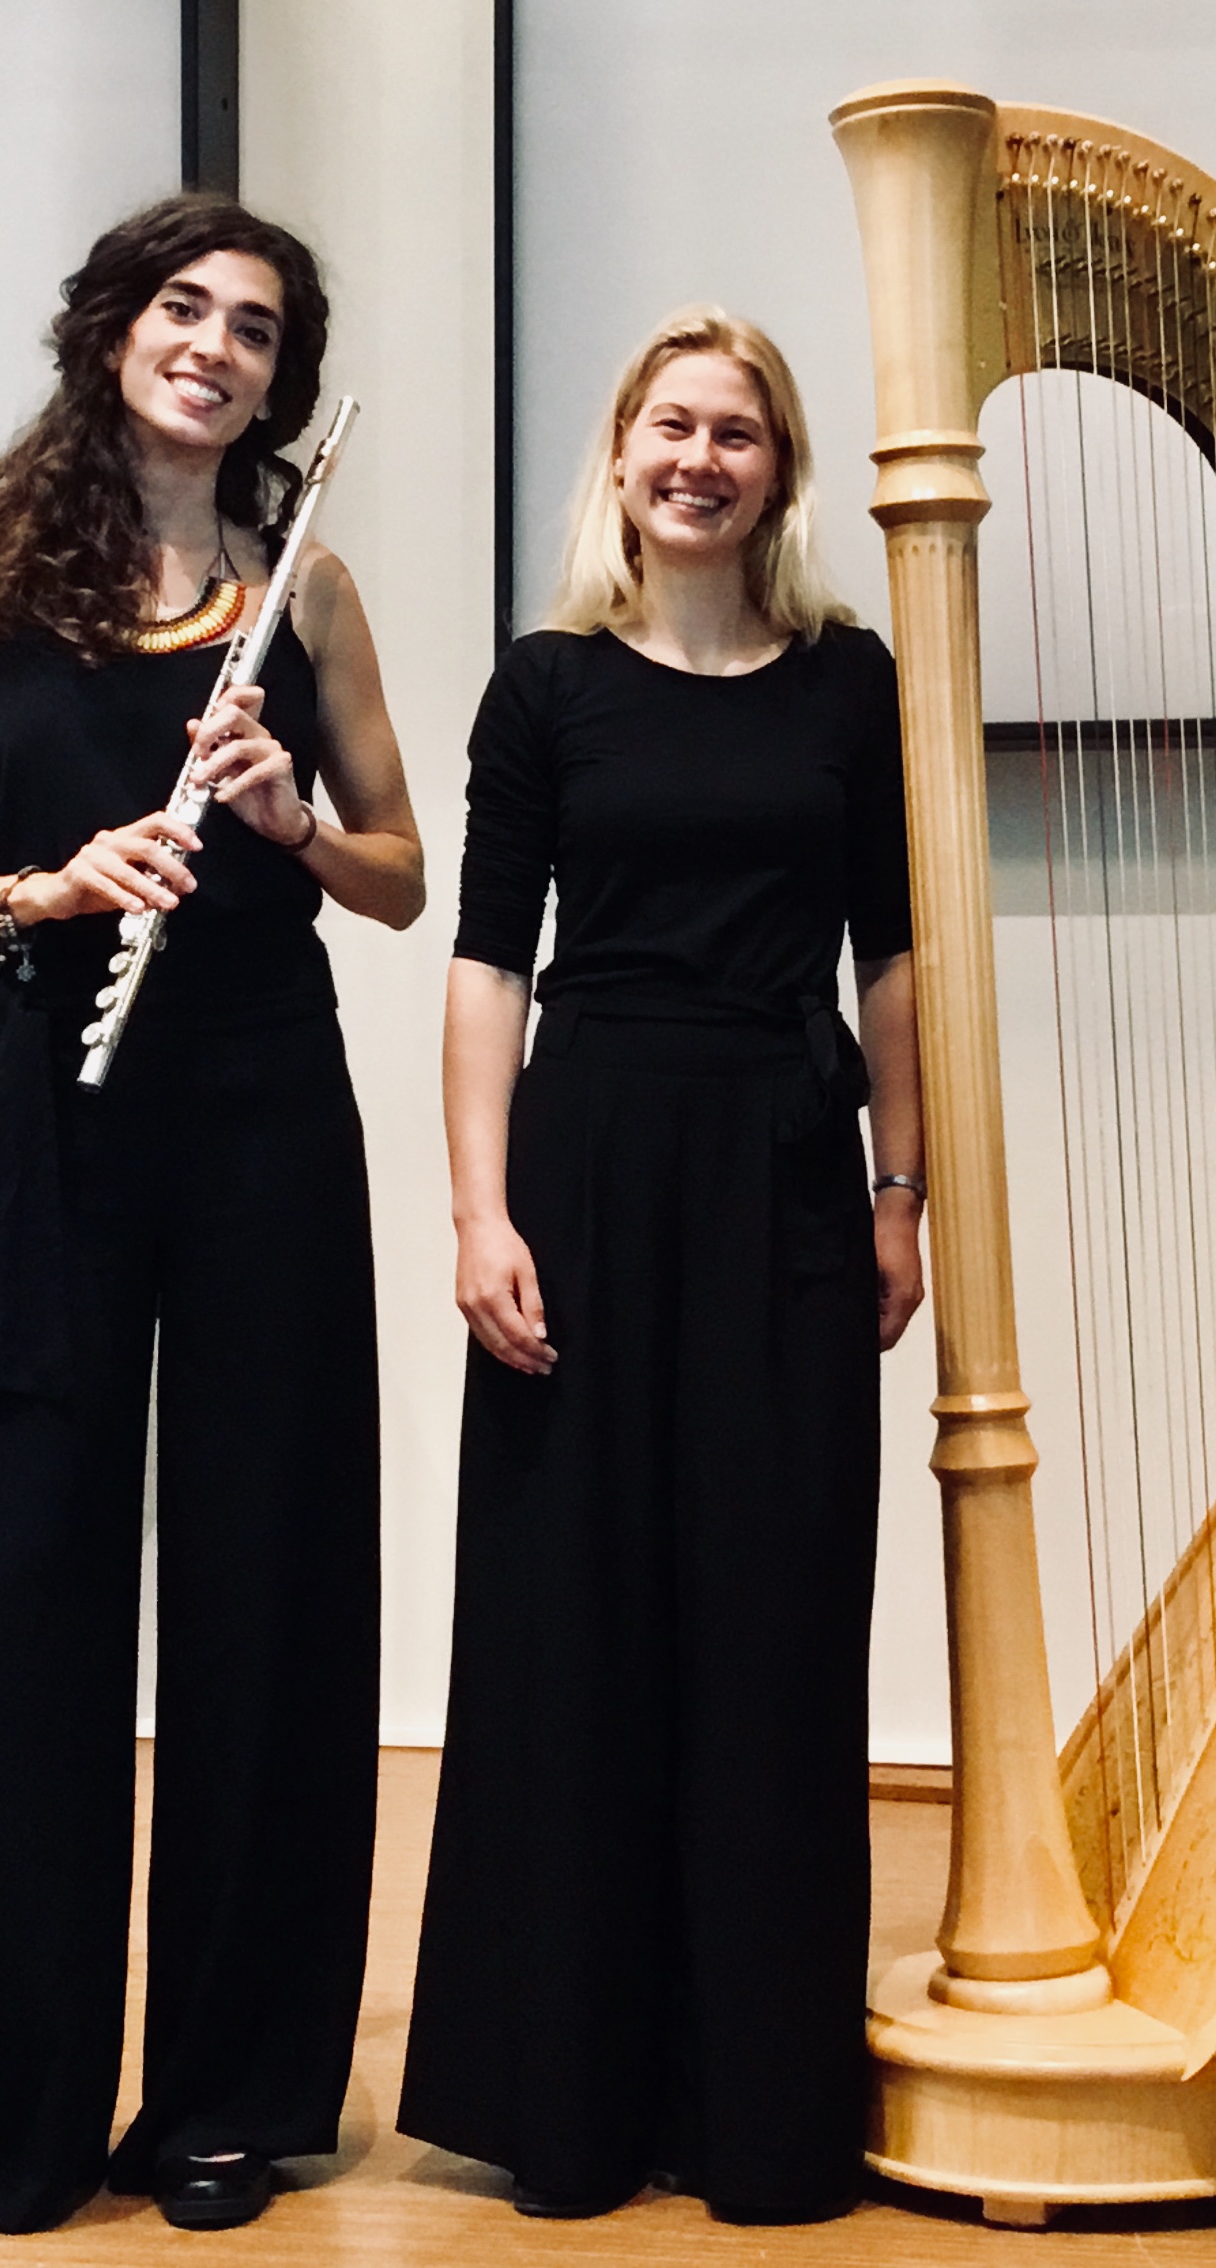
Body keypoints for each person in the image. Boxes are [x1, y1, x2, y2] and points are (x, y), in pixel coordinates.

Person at [0, 194, 424, 2239]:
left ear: (278, 379)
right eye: (186, 307)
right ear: (112, 330)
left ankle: (225, 2107)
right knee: (30, 1587)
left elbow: (400, 877)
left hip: (267, 1101)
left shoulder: (311, 593)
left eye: (256, 327)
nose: (217, 346)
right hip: (65, 1104)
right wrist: (52, 888)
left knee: (267, 1593)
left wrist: (282, 819)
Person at [396, 307, 924, 2225]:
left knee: (776, 1629)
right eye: (671, 424)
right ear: (621, 454)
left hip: (784, 1170)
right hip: (590, 1165)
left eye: (741, 431)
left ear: (780, 473)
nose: (701, 456)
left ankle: (763, 2107)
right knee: (577, 1621)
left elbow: (891, 950)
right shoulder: (544, 688)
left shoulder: (849, 688)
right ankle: (573, 2102)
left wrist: (901, 1188)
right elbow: (486, 962)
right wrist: (477, 1211)